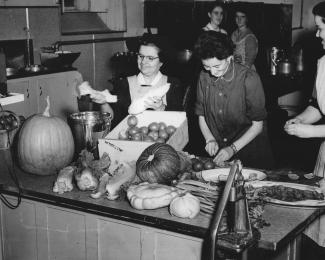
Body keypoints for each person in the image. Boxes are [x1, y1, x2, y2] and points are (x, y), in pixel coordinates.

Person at [194, 31, 274, 169]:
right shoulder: (203, 77)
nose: (212, 72)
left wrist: (232, 149)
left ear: (230, 58)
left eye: (217, 66)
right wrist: (209, 138)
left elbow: (257, 126)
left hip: (249, 148)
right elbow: (201, 114)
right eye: (207, 66)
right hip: (220, 150)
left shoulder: (249, 78)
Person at [90, 34, 184, 127]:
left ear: (161, 62)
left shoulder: (172, 84)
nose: (143, 62)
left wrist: (161, 108)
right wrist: (104, 103)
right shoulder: (124, 84)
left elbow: (179, 121)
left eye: (150, 58)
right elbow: (113, 120)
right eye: (141, 56)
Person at [284, 1, 325, 177]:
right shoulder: (323, 63)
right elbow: (318, 105)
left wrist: (311, 131)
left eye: (321, 28)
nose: (317, 34)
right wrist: (300, 120)